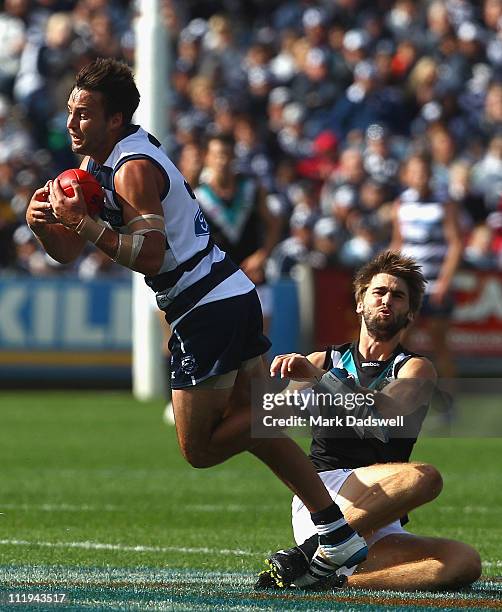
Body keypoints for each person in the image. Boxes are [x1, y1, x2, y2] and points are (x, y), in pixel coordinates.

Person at [25, 58, 367, 581]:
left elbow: (152, 255)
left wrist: (86, 225)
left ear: (115, 120)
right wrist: (45, 226)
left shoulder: (132, 167)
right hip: (222, 296)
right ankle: (337, 533)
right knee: (255, 424)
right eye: (71, 112)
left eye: (85, 115)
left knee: (202, 447)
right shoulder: (102, 165)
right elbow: (68, 254)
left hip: (207, 305)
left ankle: (298, 401)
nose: (72, 123)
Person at [256, 251, 481, 591]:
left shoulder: (415, 368)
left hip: (381, 515)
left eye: (398, 295)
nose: (387, 300)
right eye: (378, 292)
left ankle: (327, 578)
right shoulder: (321, 359)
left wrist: (320, 380)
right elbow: (272, 421)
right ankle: (312, 550)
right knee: (424, 477)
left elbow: (381, 416)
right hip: (326, 497)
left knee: (464, 562)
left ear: (411, 314)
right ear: (360, 302)